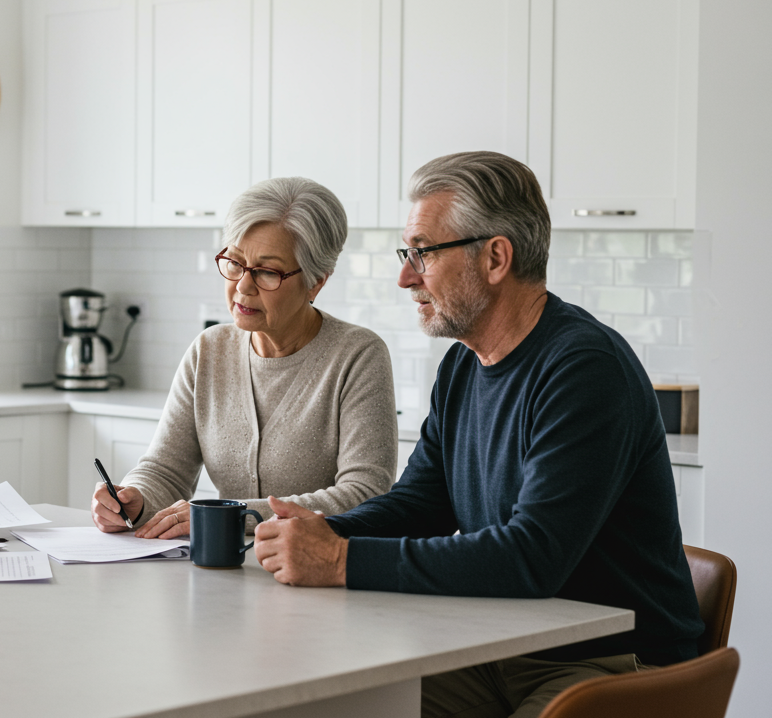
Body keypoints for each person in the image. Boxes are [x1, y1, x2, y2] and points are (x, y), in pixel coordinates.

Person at [253, 152, 704, 718]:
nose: (405, 276)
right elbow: (422, 503)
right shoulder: (464, 365)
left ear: (495, 257)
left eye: (422, 252)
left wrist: (340, 560)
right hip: (506, 645)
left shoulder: (584, 368)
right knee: (325, 703)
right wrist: (311, 532)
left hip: (614, 664)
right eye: (406, 253)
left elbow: (531, 558)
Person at [91, 177, 397, 539]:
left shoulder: (358, 356)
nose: (242, 286)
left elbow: (366, 494)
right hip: (225, 571)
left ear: (317, 281)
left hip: (319, 575)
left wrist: (236, 515)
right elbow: (165, 470)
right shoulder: (209, 350)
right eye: (235, 263)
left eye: (267, 272)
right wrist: (134, 498)